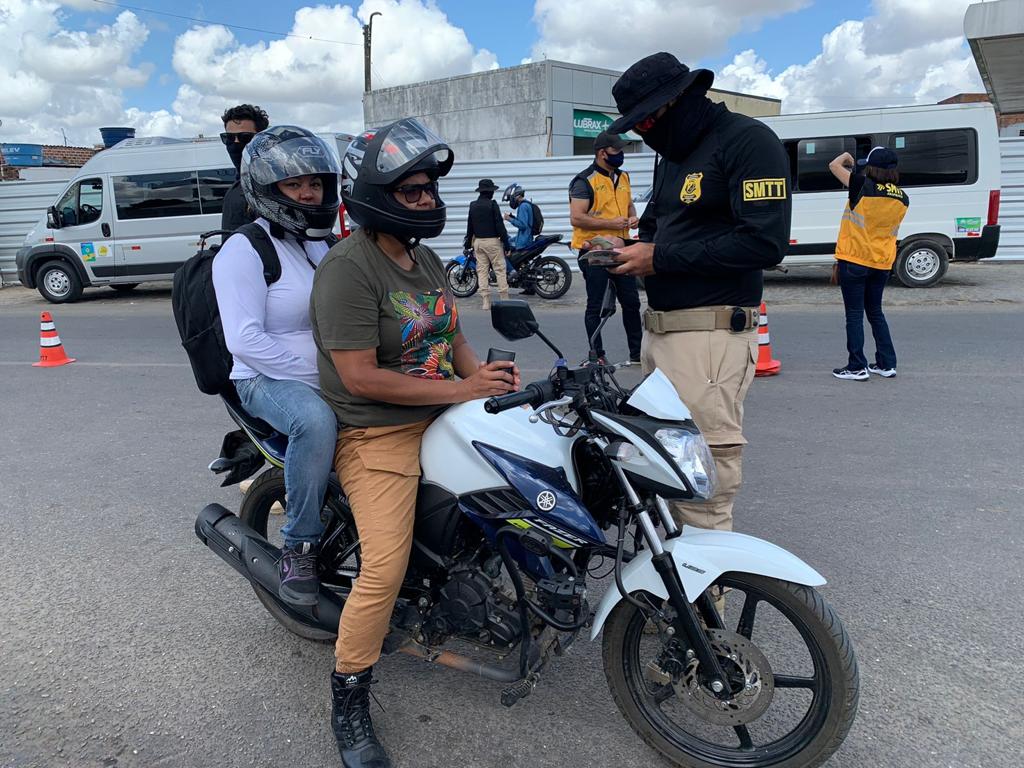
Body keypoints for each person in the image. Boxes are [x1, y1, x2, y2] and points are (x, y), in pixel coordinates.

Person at [310, 119, 520, 768]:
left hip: (440, 413)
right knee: (382, 570)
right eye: (413, 192)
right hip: (374, 433)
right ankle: (349, 696)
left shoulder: (423, 256)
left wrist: (487, 387)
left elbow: (451, 338)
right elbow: (359, 375)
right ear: (374, 195)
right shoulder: (348, 269)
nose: (429, 200)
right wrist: (462, 393)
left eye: (431, 189)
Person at [606, 52, 792, 545]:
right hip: (662, 335)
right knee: (663, 474)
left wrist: (660, 258)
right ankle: (674, 606)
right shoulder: (673, 158)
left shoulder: (747, 141)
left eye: (648, 120)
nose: (644, 132)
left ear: (681, 100)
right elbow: (656, 229)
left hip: (709, 336)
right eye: (637, 125)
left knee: (701, 486)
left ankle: (708, 617)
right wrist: (624, 251)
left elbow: (764, 243)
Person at [212, 125, 340, 607]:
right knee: (314, 419)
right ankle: (300, 545)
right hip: (264, 379)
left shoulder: (321, 245)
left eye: (315, 184)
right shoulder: (244, 250)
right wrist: (321, 380)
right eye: (294, 185)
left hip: (332, 372)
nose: (308, 193)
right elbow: (243, 339)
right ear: (268, 190)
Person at [828, 147, 908, 381]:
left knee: (854, 315)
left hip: (854, 259)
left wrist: (845, 157)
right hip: (881, 262)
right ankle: (886, 364)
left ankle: (857, 367)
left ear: (871, 167)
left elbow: (834, 166)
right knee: (875, 312)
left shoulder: (861, 184)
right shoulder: (903, 197)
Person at [570, 130, 642, 365]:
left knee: (631, 302)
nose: (621, 154)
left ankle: (638, 353)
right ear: (603, 153)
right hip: (595, 251)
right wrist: (611, 224)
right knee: (596, 305)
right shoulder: (584, 181)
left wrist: (632, 217)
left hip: (621, 249)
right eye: (617, 151)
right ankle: (597, 355)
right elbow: (577, 218)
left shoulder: (623, 177)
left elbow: (629, 206)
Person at [220, 104, 270, 231]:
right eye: (229, 137)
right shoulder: (238, 184)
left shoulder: (271, 185)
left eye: (245, 137)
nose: (236, 143)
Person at [463, 178, 511, 309]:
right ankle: (504, 299)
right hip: (493, 242)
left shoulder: (473, 205)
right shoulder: (492, 205)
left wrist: (467, 244)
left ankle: (485, 301)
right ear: (489, 192)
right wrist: (507, 244)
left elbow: (470, 226)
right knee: (500, 269)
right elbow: (500, 226)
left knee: (482, 271)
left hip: (478, 242)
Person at [502, 182, 535, 250]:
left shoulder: (523, 206)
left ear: (516, 196)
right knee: (509, 241)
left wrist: (509, 219)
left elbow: (523, 225)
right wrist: (512, 217)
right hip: (526, 238)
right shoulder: (526, 204)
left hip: (523, 242)